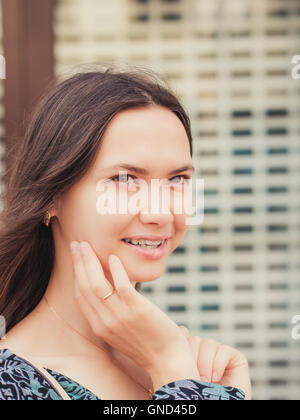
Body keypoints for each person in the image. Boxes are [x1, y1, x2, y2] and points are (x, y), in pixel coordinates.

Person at [0, 66, 251, 400]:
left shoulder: (196, 364)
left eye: (177, 180)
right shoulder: (14, 384)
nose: (159, 213)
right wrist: (173, 369)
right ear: (51, 198)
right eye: (124, 180)